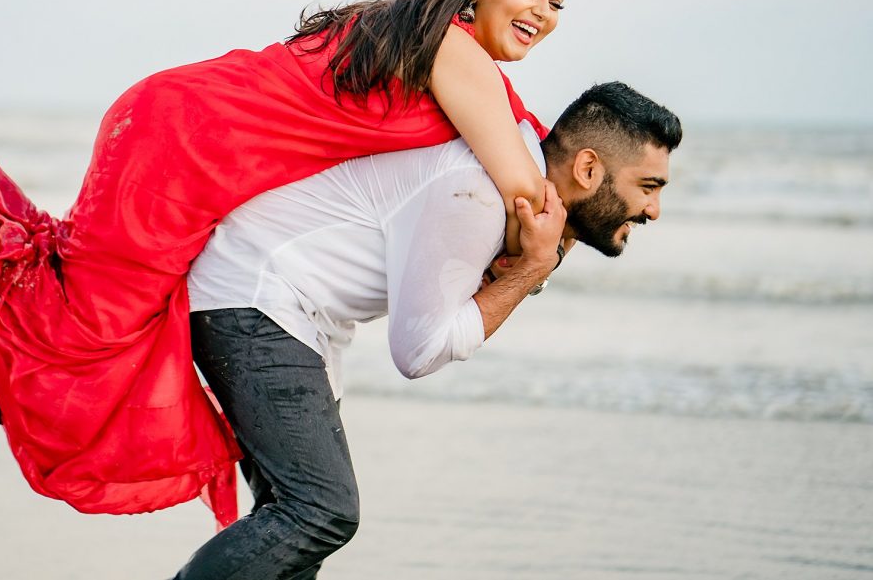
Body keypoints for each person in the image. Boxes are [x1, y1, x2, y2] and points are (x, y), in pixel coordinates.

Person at [0, 0, 575, 526]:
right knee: (92, 317)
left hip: (173, 126)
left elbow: (513, 156)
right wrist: (547, 245)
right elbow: (521, 192)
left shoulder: (418, 37)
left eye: (557, 4)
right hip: (181, 148)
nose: (542, 13)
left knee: (85, 275)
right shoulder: (459, 51)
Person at [175, 82, 682, 579]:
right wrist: (531, 267)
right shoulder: (479, 194)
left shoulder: (518, 176)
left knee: (294, 534)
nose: (654, 210)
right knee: (319, 513)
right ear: (589, 167)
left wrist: (547, 254)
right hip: (255, 293)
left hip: (288, 309)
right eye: (648, 187)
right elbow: (417, 354)